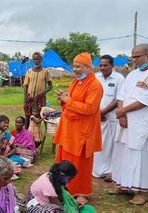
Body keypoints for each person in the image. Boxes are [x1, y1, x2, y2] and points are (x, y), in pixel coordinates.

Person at [111, 44, 148, 205]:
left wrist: (124, 111)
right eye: (133, 57)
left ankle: (142, 192)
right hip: (125, 121)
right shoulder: (132, 74)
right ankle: (123, 186)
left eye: (138, 57)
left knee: (140, 155)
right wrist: (122, 113)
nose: (134, 60)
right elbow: (122, 95)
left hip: (143, 123)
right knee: (123, 153)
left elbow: (147, 100)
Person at [54, 52, 103, 205]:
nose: (74, 69)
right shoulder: (76, 82)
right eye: (73, 66)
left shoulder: (95, 85)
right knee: (66, 159)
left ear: (87, 67)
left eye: (78, 66)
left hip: (82, 132)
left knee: (80, 163)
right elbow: (71, 100)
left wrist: (68, 101)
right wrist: (63, 99)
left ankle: (81, 192)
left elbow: (89, 108)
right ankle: (64, 186)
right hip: (69, 129)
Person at [92, 55, 125, 180]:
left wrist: (103, 112)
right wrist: (96, 113)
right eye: (100, 65)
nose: (102, 68)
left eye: (105, 65)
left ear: (112, 65)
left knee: (111, 146)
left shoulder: (119, 78)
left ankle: (110, 171)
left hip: (111, 118)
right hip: (96, 117)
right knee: (98, 145)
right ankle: (97, 169)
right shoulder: (96, 77)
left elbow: (119, 98)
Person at [27, 160, 95, 213]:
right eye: (69, 179)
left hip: (49, 202)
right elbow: (59, 207)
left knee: (89, 208)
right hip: (38, 205)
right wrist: (72, 208)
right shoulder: (49, 186)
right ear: (62, 175)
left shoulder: (54, 177)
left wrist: (74, 204)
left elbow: (62, 198)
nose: (69, 182)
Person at [23, 51, 53, 128]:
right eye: (35, 59)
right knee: (28, 118)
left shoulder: (45, 71)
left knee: (39, 118)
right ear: (33, 60)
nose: (37, 61)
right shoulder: (29, 71)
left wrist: (42, 92)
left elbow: (50, 86)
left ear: (41, 60)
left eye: (38, 59)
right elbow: (25, 86)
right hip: (30, 99)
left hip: (40, 99)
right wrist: (25, 100)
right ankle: (26, 137)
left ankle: (37, 137)